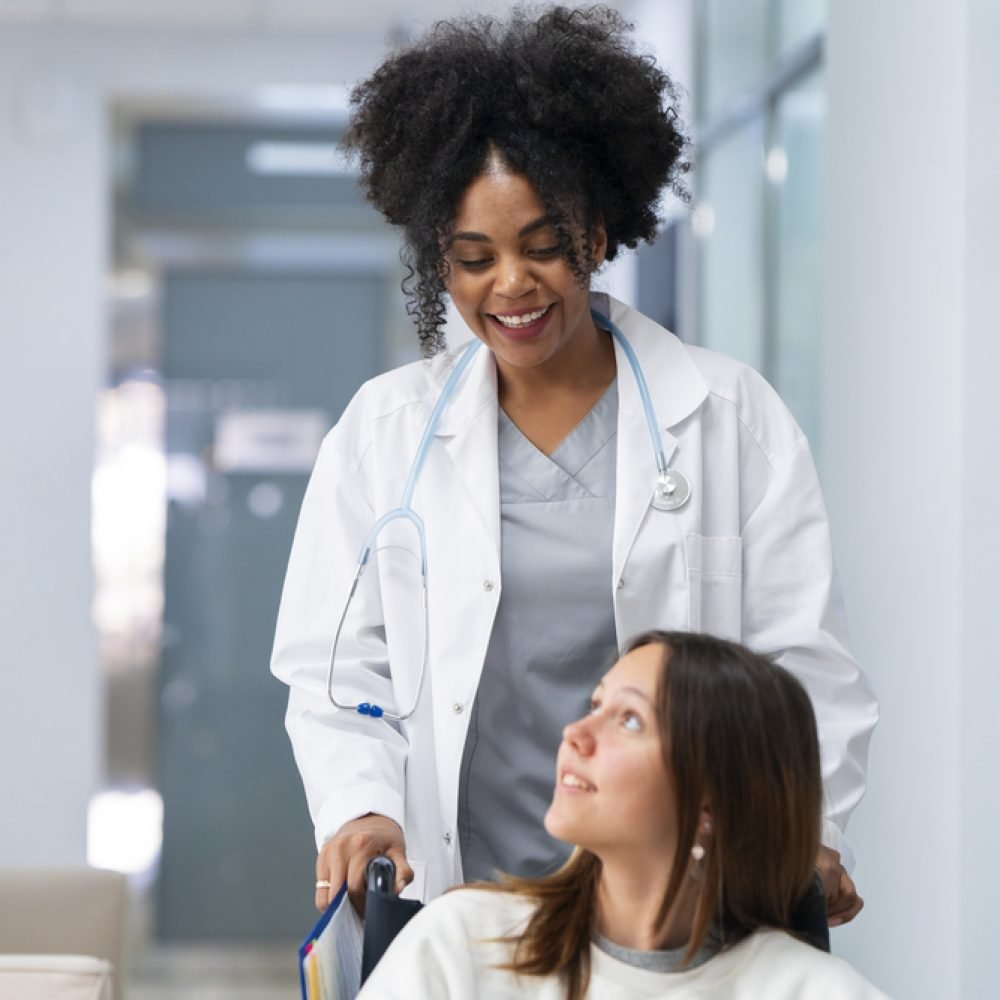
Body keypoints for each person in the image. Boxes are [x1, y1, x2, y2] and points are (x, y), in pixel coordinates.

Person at [270, 5, 877, 927]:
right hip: (460, 895)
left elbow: (802, 666)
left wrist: (812, 826)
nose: (509, 285)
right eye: (473, 259)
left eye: (543, 246)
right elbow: (336, 675)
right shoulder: (381, 435)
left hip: (681, 896)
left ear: (596, 233)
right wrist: (361, 803)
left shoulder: (729, 418)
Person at [356, 632, 888, 1000]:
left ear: (712, 803)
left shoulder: (816, 991)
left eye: (629, 720)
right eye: (595, 706)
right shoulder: (460, 945)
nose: (574, 734)